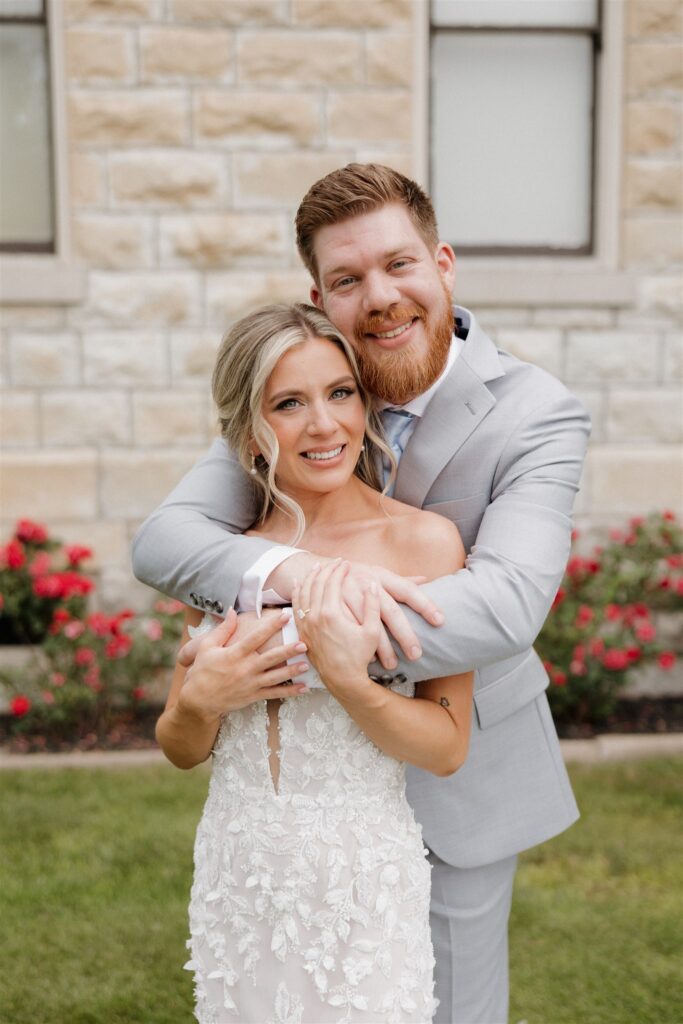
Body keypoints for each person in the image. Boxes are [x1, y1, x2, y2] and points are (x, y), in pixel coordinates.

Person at [133, 163, 591, 1024]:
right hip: (274, 828)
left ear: (442, 263)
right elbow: (164, 540)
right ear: (320, 294)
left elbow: (503, 608)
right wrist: (303, 575)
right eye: (348, 279)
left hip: (461, 768)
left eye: (398, 265)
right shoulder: (309, 389)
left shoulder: (535, 413)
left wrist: (303, 642)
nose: (378, 297)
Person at [156, 303, 474, 1023]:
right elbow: (179, 747)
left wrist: (346, 682)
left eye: (339, 393)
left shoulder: (423, 546)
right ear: (248, 431)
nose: (324, 425)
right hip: (237, 878)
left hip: (356, 886)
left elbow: (447, 747)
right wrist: (200, 702)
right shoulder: (225, 554)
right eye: (288, 404)